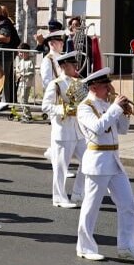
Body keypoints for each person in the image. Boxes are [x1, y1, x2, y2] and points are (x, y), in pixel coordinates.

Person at [75, 68, 134, 261]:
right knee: (91, 207)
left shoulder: (107, 104)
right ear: (93, 87)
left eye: (109, 84)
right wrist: (115, 108)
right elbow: (98, 128)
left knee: (128, 204)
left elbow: (122, 130)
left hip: (114, 161)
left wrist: (124, 112)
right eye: (105, 85)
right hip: (97, 161)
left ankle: (127, 246)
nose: (109, 88)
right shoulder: (85, 107)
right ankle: (85, 247)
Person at [40, 51, 86, 209]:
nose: (76, 67)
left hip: (78, 130)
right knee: (61, 168)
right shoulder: (56, 84)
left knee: (87, 161)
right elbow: (45, 106)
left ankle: (78, 193)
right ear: (65, 66)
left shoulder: (77, 82)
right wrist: (63, 109)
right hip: (63, 130)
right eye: (73, 65)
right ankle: (59, 198)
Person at [0, 4, 20, 97]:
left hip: (4, 56)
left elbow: (6, 39)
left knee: (4, 78)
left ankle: (5, 100)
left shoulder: (4, 23)